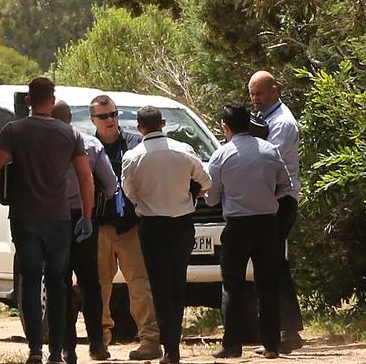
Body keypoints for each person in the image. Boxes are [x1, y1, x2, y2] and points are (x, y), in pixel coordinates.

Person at [0, 78, 95, 364]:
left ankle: (35, 348)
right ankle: (56, 352)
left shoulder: (13, 131)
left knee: (31, 282)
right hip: (59, 219)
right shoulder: (69, 134)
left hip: (25, 218)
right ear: (53, 98)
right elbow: (85, 177)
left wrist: (0, 194)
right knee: (59, 284)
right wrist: (86, 215)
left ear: (29, 101)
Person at [121, 106, 212, 364]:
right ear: (163, 123)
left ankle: (170, 347)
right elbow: (206, 182)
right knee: (177, 283)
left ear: (140, 128)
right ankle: (174, 344)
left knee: (159, 287)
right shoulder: (184, 150)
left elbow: (128, 191)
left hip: (152, 227)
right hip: (182, 224)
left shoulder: (133, 156)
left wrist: (145, 202)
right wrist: (189, 195)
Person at [205, 104, 292, 359]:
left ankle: (232, 344)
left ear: (225, 126)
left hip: (238, 226)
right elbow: (285, 186)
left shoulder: (221, 155)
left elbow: (211, 199)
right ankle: (272, 345)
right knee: (267, 284)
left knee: (232, 285)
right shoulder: (270, 150)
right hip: (267, 224)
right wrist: (265, 196)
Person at [90, 95, 162, 360]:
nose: (110, 120)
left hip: (131, 226)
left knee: (140, 286)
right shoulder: (89, 146)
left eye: (113, 114)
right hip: (101, 227)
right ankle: (100, 342)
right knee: (99, 288)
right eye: (104, 116)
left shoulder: (135, 143)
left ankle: (150, 341)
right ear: (93, 120)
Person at [52, 100, 117, 363]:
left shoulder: (41, 145)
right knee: (90, 283)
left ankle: (67, 348)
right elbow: (111, 184)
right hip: (85, 218)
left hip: (53, 220)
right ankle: (97, 345)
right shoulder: (89, 144)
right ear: (71, 118)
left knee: (61, 283)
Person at [248, 71, 304, 354]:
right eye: (252, 94)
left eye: (259, 93)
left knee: (273, 264)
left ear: (274, 90)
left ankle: (287, 331)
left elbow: (272, 162)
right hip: (271, 200)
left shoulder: (282, 122)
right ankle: (287, 329)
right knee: (275, 264)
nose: (255, 99)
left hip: (281, 200)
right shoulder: (265, 119)